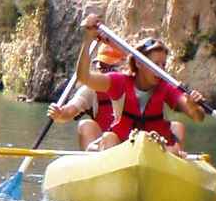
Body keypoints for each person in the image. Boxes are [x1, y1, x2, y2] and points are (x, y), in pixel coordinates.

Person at [74, 14, 207, 156]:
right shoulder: (119, 81)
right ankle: (98, 154)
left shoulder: (166, 87)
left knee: (174, 146)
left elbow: (198, 117)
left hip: (155, 148)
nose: (161, 69)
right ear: (138, 63)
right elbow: (84, 77)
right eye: (155, 64)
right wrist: (88, 39)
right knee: (109, 138)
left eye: (163, 64)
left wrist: (193, 107)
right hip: (122, 147)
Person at [47, 39, 127, 150]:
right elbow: (69, 111)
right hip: (103, 146)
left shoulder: (134, 86)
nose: (106, 74)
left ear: (124, 68)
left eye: (111, 68)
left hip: (128, 144)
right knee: (86, 125)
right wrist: (59, 114)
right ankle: (92, 159)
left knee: (111, 137)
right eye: (102, 68)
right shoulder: (91, 90)